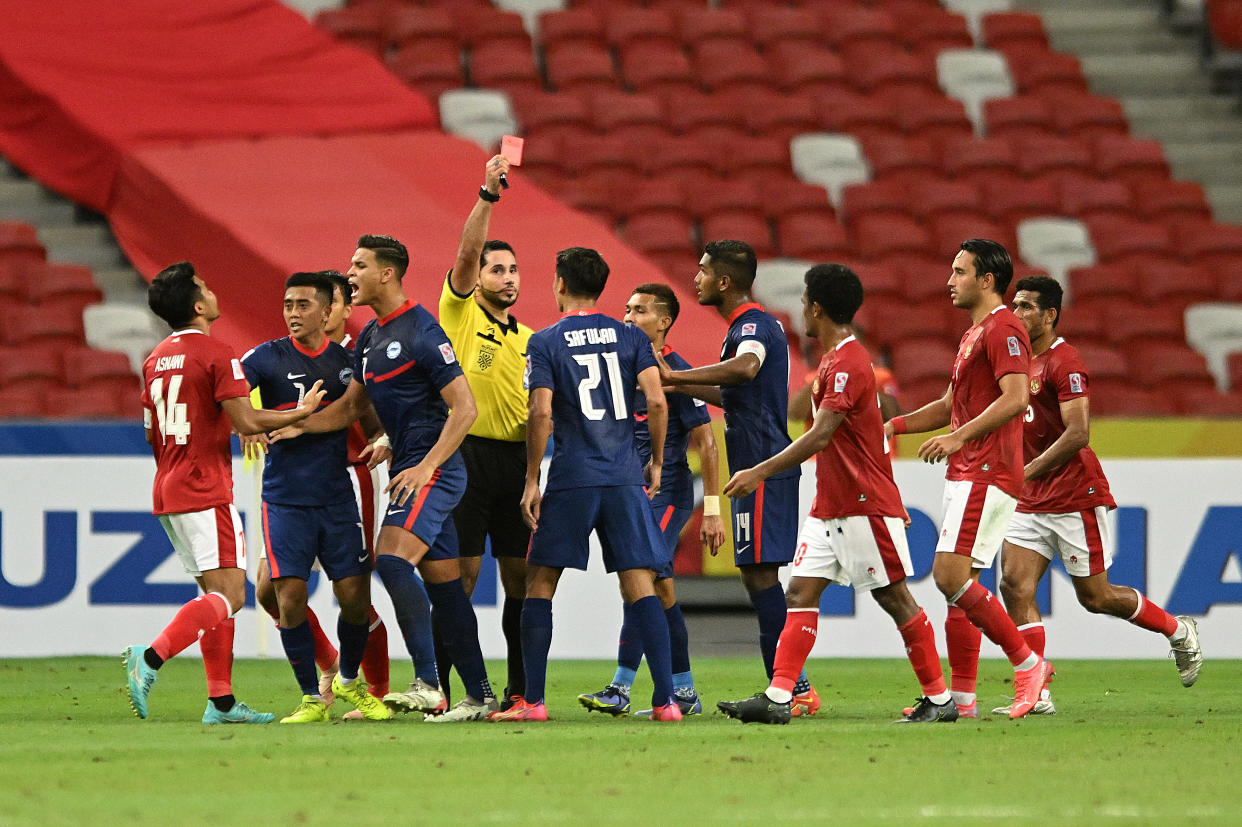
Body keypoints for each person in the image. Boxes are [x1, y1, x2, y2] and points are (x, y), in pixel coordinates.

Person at [717, 264, 956, 724]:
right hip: (831, 506)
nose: (801, 309)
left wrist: (759, 471)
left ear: (817, 307)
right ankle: (781, 697)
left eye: (805, 301)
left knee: (896, 599)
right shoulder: (830, 361)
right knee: (800, 592)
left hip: (863, 506)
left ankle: (940, 700)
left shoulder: (847, 363)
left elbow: (822, 434)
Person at [271, 235, 496, 723]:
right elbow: (353, 406)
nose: (349, 273)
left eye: (358, 265)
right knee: (445, 587)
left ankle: (429, 683)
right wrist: (298, 423)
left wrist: (427, 465)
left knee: (392, 561)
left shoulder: (422, 331)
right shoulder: (372, 336)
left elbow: (466, 407)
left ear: (387, 274)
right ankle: (479, 695)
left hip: (433, 469)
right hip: (409, 464)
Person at [124, 261, 326, 723]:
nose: (213, 292)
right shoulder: (217, 353)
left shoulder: (155, 359)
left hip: (168, 486)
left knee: (213, 597)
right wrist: (301, 411)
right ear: (198, 306)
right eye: (207, 287)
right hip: (204, 487)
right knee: (232, 595)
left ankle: (221, 702)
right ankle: (150, 657)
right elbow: (249, 421)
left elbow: (152, 429)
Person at [991, 275, 1202, 714]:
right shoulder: (1015, 360)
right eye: (1015, 305)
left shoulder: (1064, 361)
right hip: (1030, 499)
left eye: (1027, 306)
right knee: (1014, 584)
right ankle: (1037, 690)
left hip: (1073, 496)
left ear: (1050, 315)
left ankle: (1177, 630)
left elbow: (1078, 433)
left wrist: (1025, 470)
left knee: (1096, 598)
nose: (1018, 313)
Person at [490, 247, 681, 723]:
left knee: (540, 582)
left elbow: (540, 412)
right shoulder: (631, 337)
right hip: (622, 477)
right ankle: (666, 702)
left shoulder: (546, 342)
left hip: (574, 477)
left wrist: (532, 477)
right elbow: (656, 402)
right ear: (601, 287)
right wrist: (655, 461)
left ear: (559, 283)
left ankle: (532, 702)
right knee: (640, 583)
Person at [883, 239, 1052, 720]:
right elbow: (947, 405)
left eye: (959, 272)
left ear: (987, 281)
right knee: (964, 588)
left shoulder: (1004, 330)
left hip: (988, 470)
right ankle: (961, 701)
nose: (949, 281)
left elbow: (1017, 397)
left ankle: (1029, 663)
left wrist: (959, 438)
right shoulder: (974, 334)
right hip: (969, 470)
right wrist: (892, 426)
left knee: (949, 576)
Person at [657, 240, 818, 716]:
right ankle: (791, 684)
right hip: (753, 465)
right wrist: (675, 381)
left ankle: (791, 688)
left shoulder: (752, 326)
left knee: (763, 575)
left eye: (703, 271)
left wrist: (678, 377)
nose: (697, 278)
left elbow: (745, 370)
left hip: (765, 465)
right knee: (757, 576)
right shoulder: (744, 327)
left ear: (724, 281)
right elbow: (736, 396)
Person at [239, 272, 392, 722]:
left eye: (303, 305)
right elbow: (232, 406)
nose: (292, 313)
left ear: (327, 312)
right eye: (288, 304)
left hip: (337, 493)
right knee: (283, 596)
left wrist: (385, 437)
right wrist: (259, 423)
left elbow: (376, 413)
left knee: (355, 598)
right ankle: (310, 695)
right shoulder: (264, 358)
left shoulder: (349, 364)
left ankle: (352, 684)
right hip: (284, 496)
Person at [577, 283, 726, 717]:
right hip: (629, 492)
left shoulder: (678, 372)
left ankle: (621, 687)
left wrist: (713, 511)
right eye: (626, 308)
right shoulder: (618, 370)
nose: (627, 317)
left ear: (663, 322)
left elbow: (708, 444)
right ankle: (684, 692)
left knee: (639, 578)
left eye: (639, 310)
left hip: (668, 495)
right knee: (660, 591)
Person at [437, 155, 530, 710]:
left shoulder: (533, 338)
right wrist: (487, 196)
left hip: (517, 463)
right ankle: (442, 690)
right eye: (497, 270)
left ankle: (520, 692)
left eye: (514, 270)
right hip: (467, 458)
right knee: (463, 577)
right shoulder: (461, 313)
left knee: (520, 580)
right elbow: (467, 254)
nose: (507, 278)